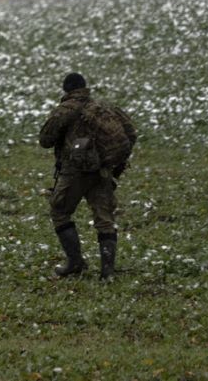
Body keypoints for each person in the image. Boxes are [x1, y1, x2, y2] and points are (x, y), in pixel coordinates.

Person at [38, 72, 137, 280]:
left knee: (59, 211)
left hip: (75, 172)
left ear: (66, 89)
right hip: (102, 172)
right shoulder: (105, 107)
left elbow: (45, 139)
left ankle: (75, 263)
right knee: (104, 219)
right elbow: (131, 133)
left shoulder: (65, 110)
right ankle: (107, 272)